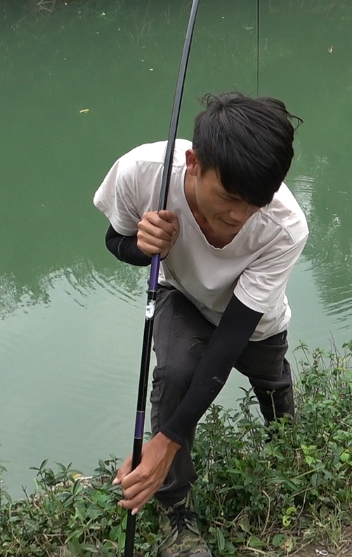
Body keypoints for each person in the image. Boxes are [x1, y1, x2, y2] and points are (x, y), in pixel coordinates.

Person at [93, 92, 308, 557]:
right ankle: (178, 513)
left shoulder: (286, 226)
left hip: (253, 321)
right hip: (183, 294)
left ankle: (289, 448)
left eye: (255, 203)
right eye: (229, 197)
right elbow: (115, 239)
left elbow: (230, 338)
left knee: (271, 381)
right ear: (193, 163)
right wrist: (144, 246)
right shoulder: (143, 172)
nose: (239, 216)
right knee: (175, 376)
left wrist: (166, 439)